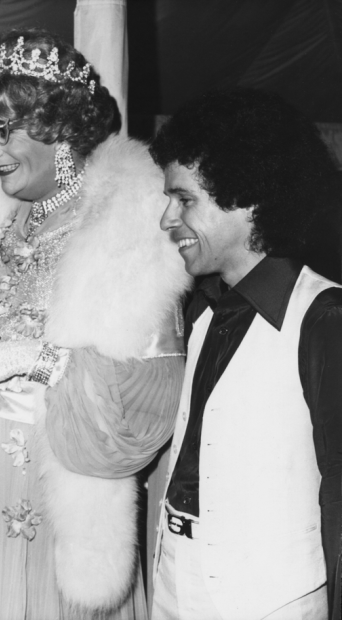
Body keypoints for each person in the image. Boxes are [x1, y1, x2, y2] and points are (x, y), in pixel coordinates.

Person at [0, 29, 190, 620]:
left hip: (61, 472)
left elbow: (152, 396)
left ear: (58, 125)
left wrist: (30, 359)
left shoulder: (128, 229)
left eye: (2, 131)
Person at [149, 88, 342, 620]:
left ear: (247, 196)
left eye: (184, 199)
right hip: (172, 581)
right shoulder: (205, 312)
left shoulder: (323, 318)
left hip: (270, 599)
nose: (167, 219)